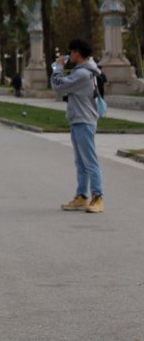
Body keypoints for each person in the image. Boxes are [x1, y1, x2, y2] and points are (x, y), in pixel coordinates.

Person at [52, 38, 104, 213]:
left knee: (89, 161)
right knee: (81, 162)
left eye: (71, 51)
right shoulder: (85, 70)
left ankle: (97, 197)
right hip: (79, 119)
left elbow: (58, 86)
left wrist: (58, 67)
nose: (68, 54)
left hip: (84, 120)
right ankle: (82, 196)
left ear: (77, 53)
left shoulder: (82, 74)